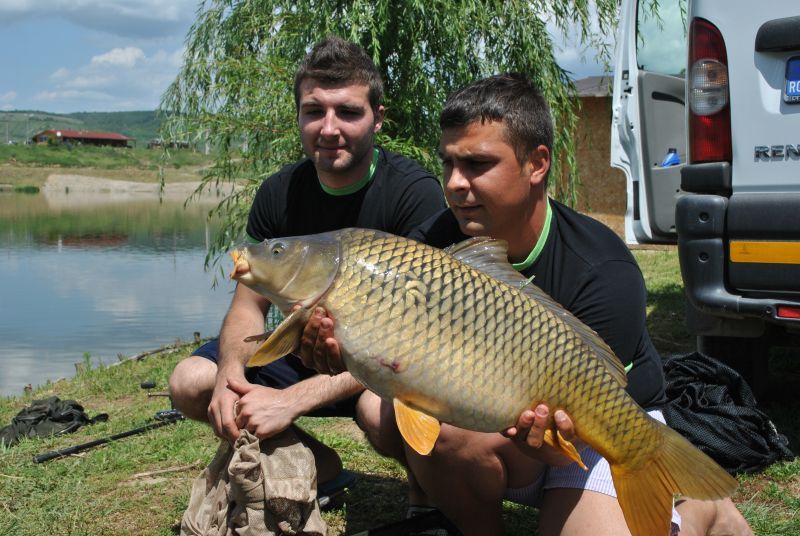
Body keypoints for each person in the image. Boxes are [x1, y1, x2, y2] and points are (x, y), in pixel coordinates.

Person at [299, 74, 754, 535]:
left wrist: (549, 443)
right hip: (503, 424)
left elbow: (568, 436)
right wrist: (348, 353)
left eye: (477, 164)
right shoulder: (432, 244)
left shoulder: (604, 269)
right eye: (448, 163)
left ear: (537, 164)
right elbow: (403, 358)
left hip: (600, 434)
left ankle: (702, 510)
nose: (454, 183)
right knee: (379, 408)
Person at [168, 36, 446, 489]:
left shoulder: (414, 194)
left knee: (379, 413)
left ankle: (426, 494)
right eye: (314, 111)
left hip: (381, 365)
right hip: (299, 352)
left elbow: (418, 344)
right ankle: (321, 466)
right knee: (191, 380)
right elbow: (247, 307)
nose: (329, 128)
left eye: (348, 112)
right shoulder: (278, 192)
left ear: (378, 118)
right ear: (298, 115)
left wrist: (293, 400)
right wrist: (229, 376)